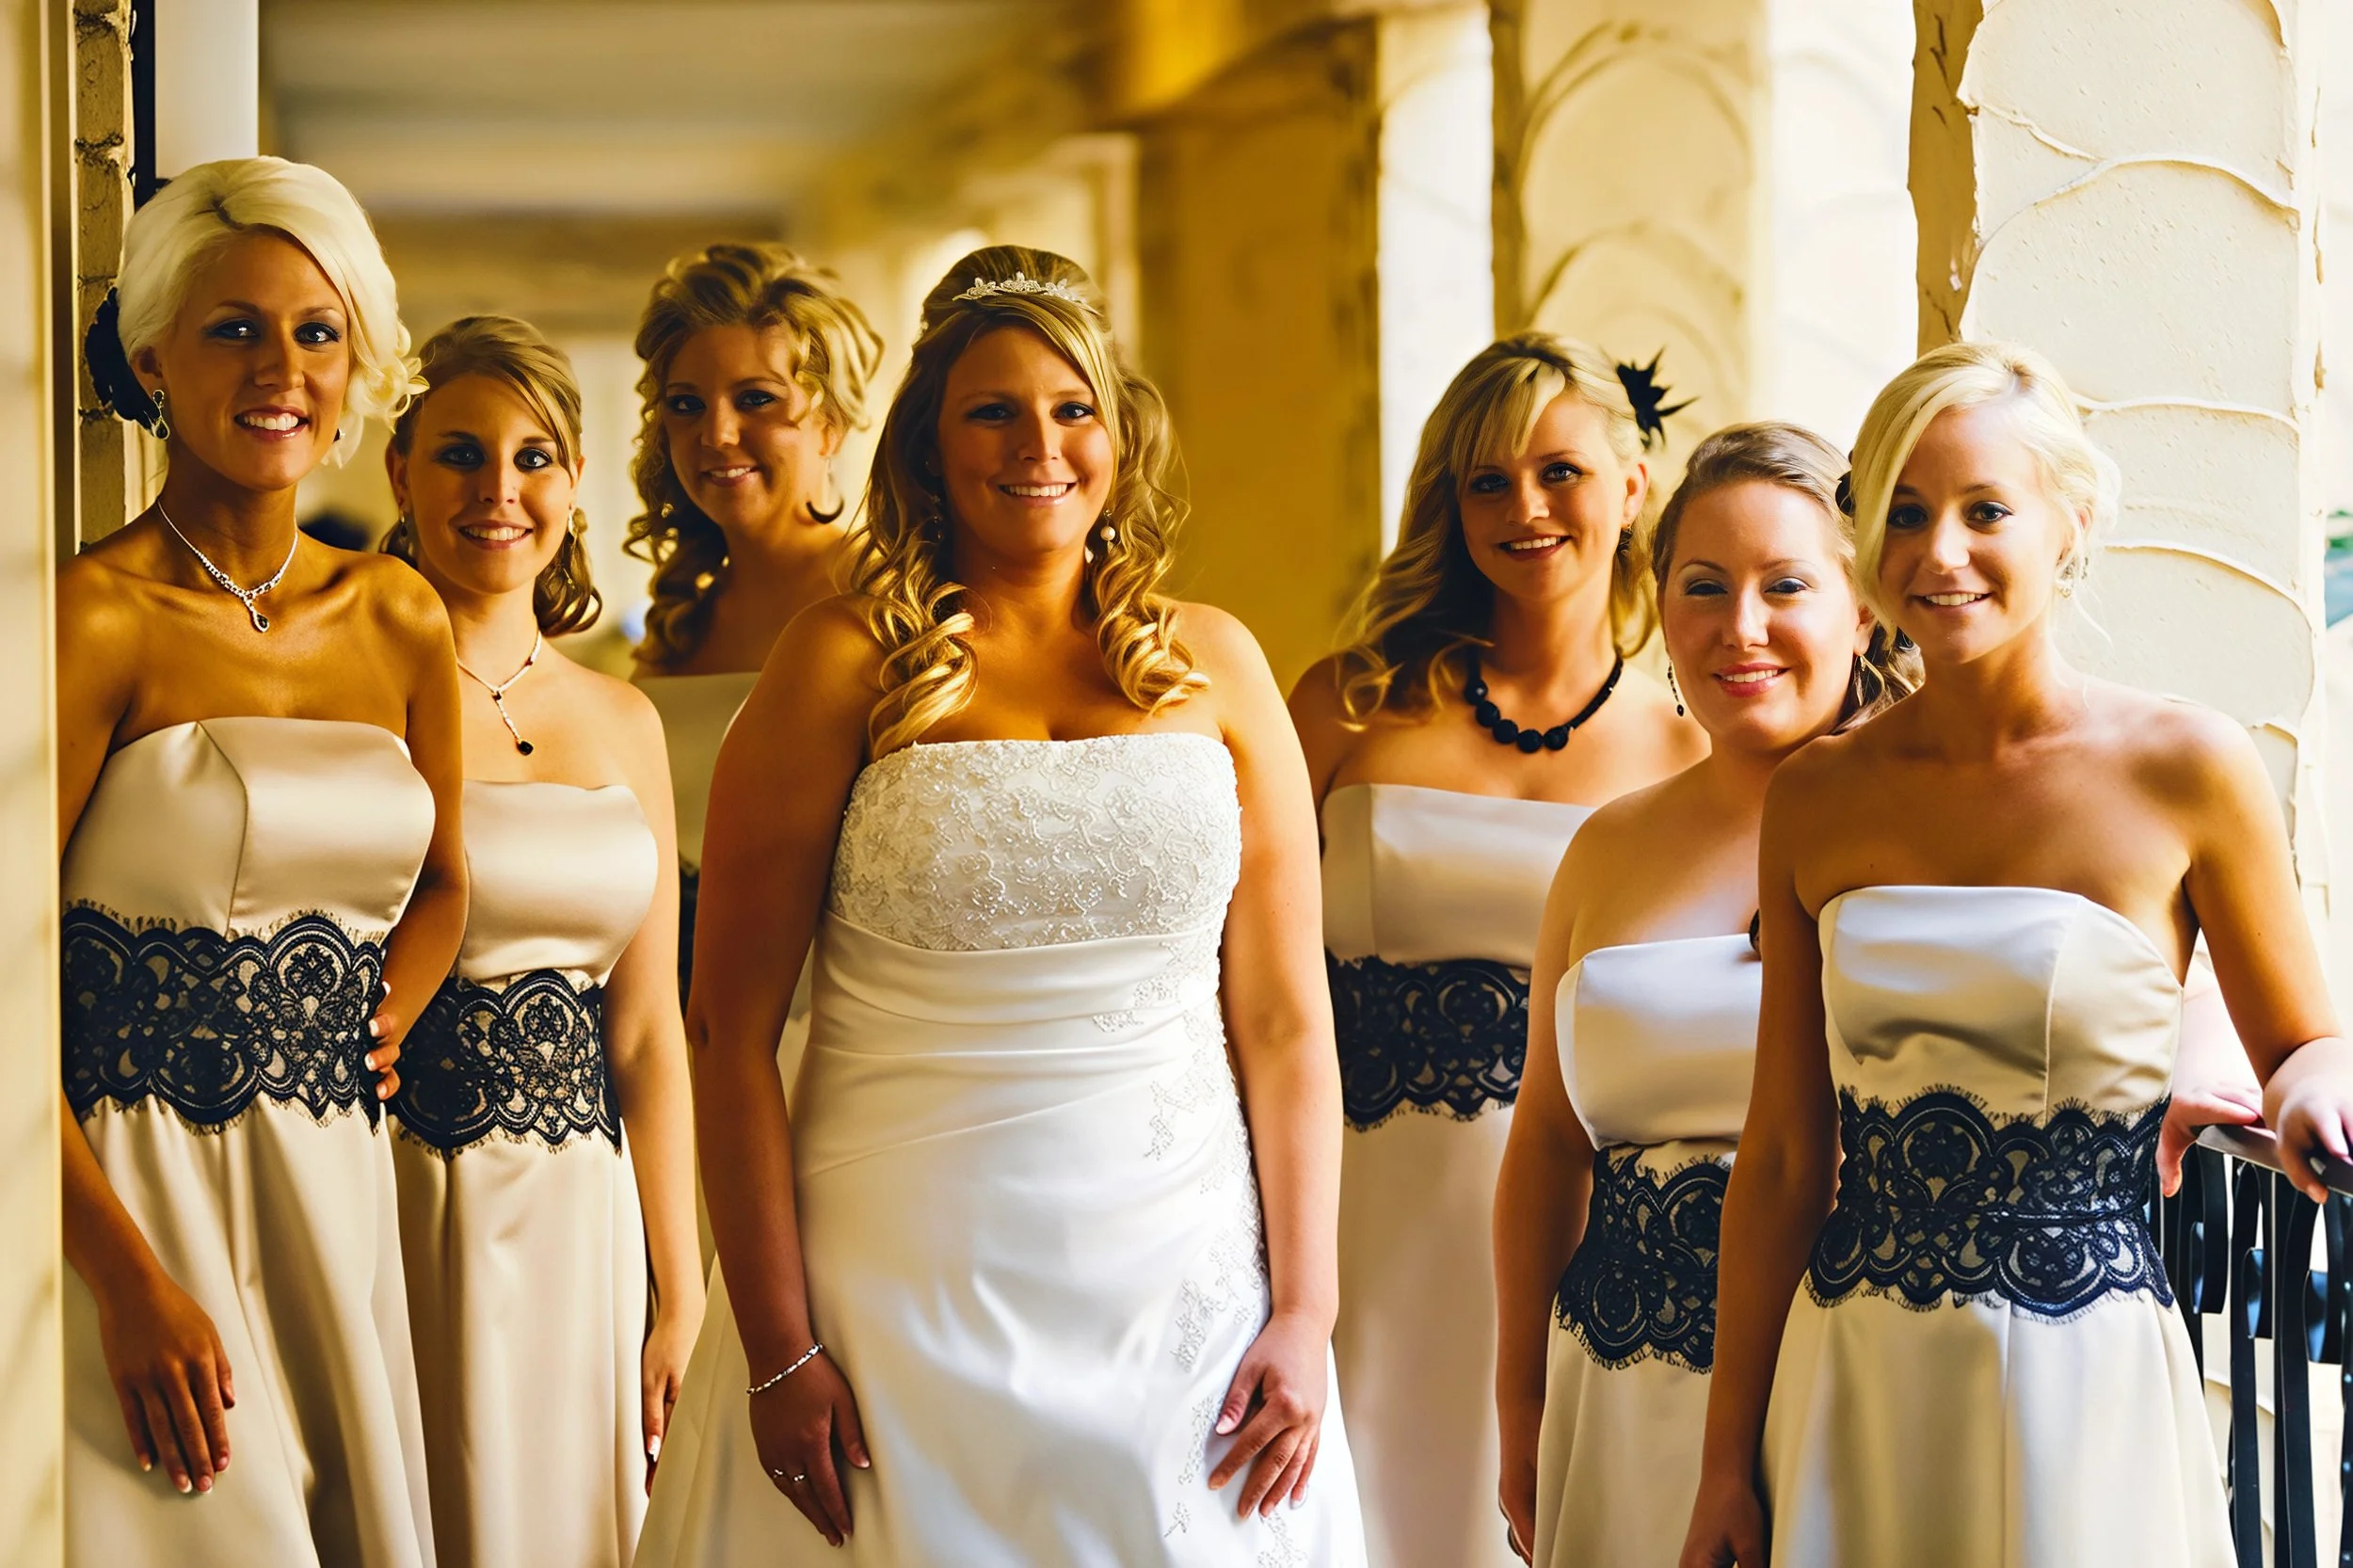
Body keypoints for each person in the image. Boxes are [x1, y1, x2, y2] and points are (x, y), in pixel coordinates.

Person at [638, 246, 1367, 1566]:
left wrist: (1308, 1308)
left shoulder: (1220, 660)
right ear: (928, 444)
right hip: (896, 1285)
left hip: (1182, 1286)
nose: (1041, 442)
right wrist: (775, 1342)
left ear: (1119, 438)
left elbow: (1283, 1019)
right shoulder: (841, 659)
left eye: (1072, 408)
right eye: (994, 410)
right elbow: (725, 1030)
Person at [1681, 342, 2353, 1568]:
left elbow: (2303, 1034)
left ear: (2069, 520)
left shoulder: (2188, 766)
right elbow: (1782, 1153)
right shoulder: (1818, 797)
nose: (1940, 551)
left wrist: (2308, 1085)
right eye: (1904, 511)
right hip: (1860, 1372)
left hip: (2086, 1376)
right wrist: (1728, 1459)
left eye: (1984, 509)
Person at [55, 155, 464, 1564]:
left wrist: (388, 1012)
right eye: (234, 327)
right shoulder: (93, 618)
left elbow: (447, 881)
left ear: (355, 363)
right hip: (134, 1188)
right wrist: (120, 1278)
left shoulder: (401, 613)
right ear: (153, 353)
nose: (279, 366)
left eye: (315, 329)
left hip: (336, 1181)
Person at [1289, 333, 1701, 1568]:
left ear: (1632, 489)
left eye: (1558, 472)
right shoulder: (1347, 703)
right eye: (1485, 480)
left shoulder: (1690, 754)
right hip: (1354, 1215)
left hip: (1585, 1234)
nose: (1523, 508)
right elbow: (1226, 972)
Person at [1493, 423, 1913, 1565]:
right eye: (1703, 587)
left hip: (1842, 1380)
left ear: (1863, 604)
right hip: (1616, 1389)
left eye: (1786, 585)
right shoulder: (1606, 847)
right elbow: (1543, 1140)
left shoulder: (1931, 828)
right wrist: (1522, 1403)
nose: (1740, 628)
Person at [379, 314, 705, 1567]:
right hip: (414, 1192)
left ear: (574, 481)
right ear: (402, 469)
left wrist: (678, 1288)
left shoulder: (624, 721)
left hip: (586, 1213)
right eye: (460, 454)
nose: (499, 490)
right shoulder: (360, 690)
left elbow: (651, 1031)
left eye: (534, 456)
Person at [624, 243, 882, 1015]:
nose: (717, 434)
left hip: (847, 1030)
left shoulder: (896, 606)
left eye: (757, 399)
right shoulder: (679, 626)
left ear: (831, 422)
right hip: (691, 1023)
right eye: (687, 405)